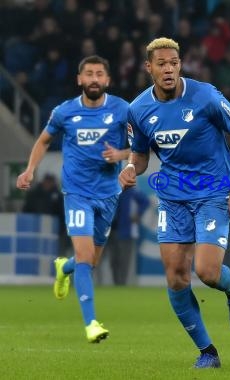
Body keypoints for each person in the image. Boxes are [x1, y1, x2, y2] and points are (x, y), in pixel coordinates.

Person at [119, 37, 230, 369]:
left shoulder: (205, 95)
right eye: (161, 64)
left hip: (212, 191)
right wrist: (131, 169)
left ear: (180, 65)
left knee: (206, 272)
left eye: (174, 63)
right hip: (173, 197)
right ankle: (207, 351)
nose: (168, 69)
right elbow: (140, 154)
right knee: (177, 276)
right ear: (149, 67)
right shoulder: (137, 110)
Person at [16, 55, 130, 343]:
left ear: (108, 80)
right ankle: (91, 323)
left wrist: (120, 156)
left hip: (109, 194)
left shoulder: (123, 109)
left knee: (88, 262)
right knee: (85, 256)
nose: (94, 79)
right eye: (88, 74)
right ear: (79, 79)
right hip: (77, 194)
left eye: (99, 74)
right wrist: (30, 169)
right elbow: (43, 140)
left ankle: (63, 267)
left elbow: (141, 146)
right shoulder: (64, 112)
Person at [103, 187, 150, 285]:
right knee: (114, 260)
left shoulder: (129, 191)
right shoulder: (108, 191)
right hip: (111, 232)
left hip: (125, 231)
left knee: (124, 261)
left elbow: (145, 201)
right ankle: (117, 283)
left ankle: (122, 283)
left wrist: (138, 214)